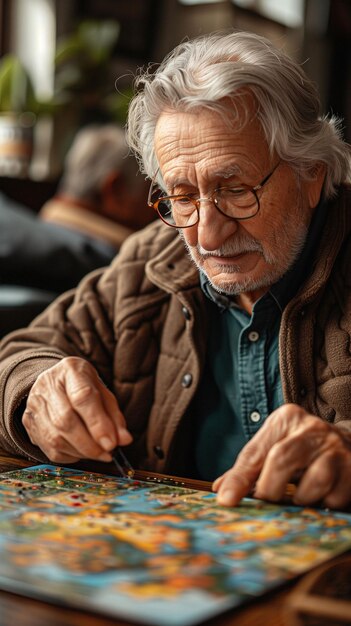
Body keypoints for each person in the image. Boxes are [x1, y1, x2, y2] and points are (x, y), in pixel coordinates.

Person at [0, 30, 350, 511]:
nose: (206, 236)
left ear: (312, 175)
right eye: (182, 197)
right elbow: (17, 355)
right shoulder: (151, 261)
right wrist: (35, 389)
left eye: (236, 190)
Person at [0, 124, 152, 294]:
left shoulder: (17, 229)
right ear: (115, 190)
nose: (163, 202)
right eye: (154, 190)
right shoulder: (110, 270)